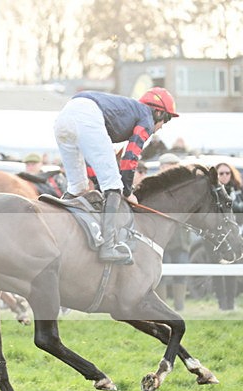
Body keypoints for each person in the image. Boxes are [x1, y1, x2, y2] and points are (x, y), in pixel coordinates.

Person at [53, 87, 178, 264]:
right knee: (113, 185)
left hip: (63, 117)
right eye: (166, 119)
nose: (161, 127)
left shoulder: (129, 111)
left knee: (77, 187)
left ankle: (59, 231)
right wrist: (127, 191)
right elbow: (131, 156)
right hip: (86, 115)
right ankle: (108, 246)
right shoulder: (146, 117)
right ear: (158, 112)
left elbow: (95, 160)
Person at [155, 153, 190, 311]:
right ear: (162, 168)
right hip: (162, 240)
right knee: (160, 276)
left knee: (181, 273)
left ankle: (179, 308)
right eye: (171, 166)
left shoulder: (184, 187)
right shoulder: (155, 187)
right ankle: (162, 309)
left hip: (182, 238)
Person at [212, 162, 243, 310]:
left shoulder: (237, 190)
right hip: (215, 235)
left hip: (234, 234)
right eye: (221, 173)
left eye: (227, 173)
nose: (224, 176)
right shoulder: (212, 192)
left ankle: (230, 302)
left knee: (232, 268)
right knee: (216, 269)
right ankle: (221, 303)